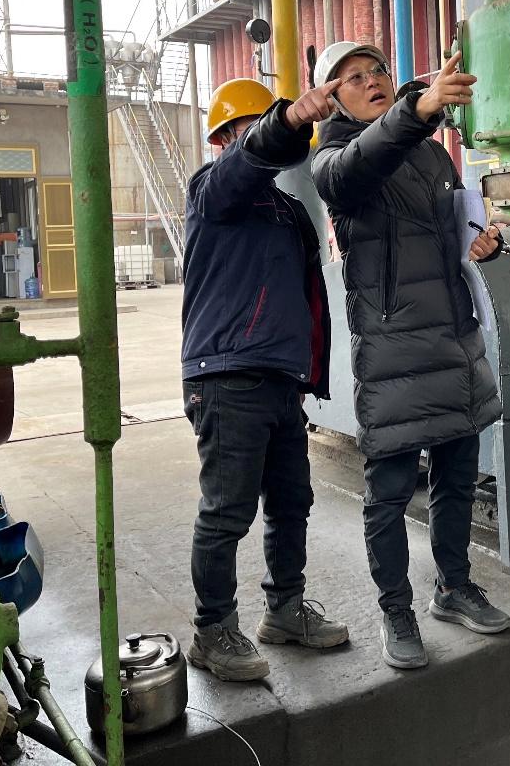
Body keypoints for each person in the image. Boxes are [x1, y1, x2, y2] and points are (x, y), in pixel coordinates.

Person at [311, 42, 510, 671]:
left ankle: (455, 587)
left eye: (377, 72)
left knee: (457, 477)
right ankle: (396, 609)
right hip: (393, 348)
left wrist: (482, 244)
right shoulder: (333, 159)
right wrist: (417, 110)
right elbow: (361, 165)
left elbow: (453, 231)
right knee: (390, 492)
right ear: (334, 99)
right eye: (354, 78)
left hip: (454, 336)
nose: (371, 81)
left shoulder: (430, 153)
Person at [181, 76, 349, 682]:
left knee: (290, 501)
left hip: (280, 379)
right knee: (227, 511)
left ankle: (284, 610)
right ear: (225, 137)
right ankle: (212, 631)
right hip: (227, 374)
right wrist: (285, 120)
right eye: (249, 127)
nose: (260, 137)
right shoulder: (213, 188)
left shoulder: (286, 209)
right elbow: (245, 165)